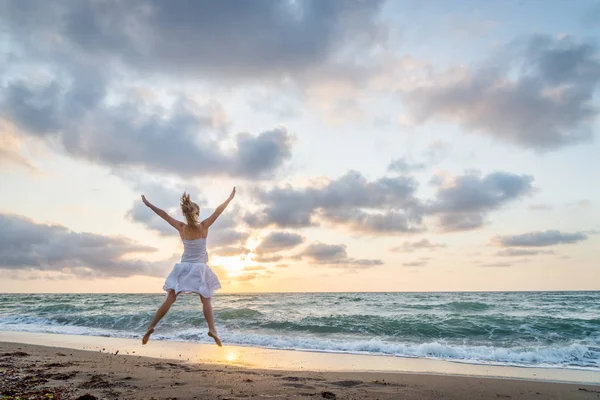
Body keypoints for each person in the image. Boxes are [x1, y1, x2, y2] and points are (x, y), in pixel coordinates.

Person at [140, 187, 236, 347]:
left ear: (185, 214)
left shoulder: (181, 227)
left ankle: (151, 326)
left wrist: (149, 204)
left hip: (183, 267)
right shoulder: (203, 227)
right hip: (199, 268)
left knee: (170, 299)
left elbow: (164, 215)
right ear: (196, 213)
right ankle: (212, 329)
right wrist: (230, 198)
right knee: (206, 301)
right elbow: (218, 212)